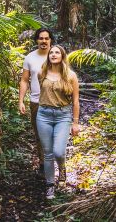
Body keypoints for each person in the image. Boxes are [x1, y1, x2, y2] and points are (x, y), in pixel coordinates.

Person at [36, 45, 79, 200]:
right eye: (51, 52)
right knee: (47, 153)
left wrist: (75, 123)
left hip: (63, 115)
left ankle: (62, 168)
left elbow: (75, 101)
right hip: (44, 115)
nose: (53, 54)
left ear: (62, 56)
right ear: (48, 56)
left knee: (59, 152)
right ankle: (50, 185)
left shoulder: (71, 76)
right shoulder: (42, 73)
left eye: (57, 52)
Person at [19, 28, 54, 172]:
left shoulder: (57, 55)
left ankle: (56, 161)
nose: (44, 41)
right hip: (36, 102)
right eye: (41, 38)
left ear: (50, 40)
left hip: (55, 102)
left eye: (46, 38)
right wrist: (21, 100)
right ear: (36, 40)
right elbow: (24, 81)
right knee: (39, 135)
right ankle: (43, 163)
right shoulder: (30, 58)